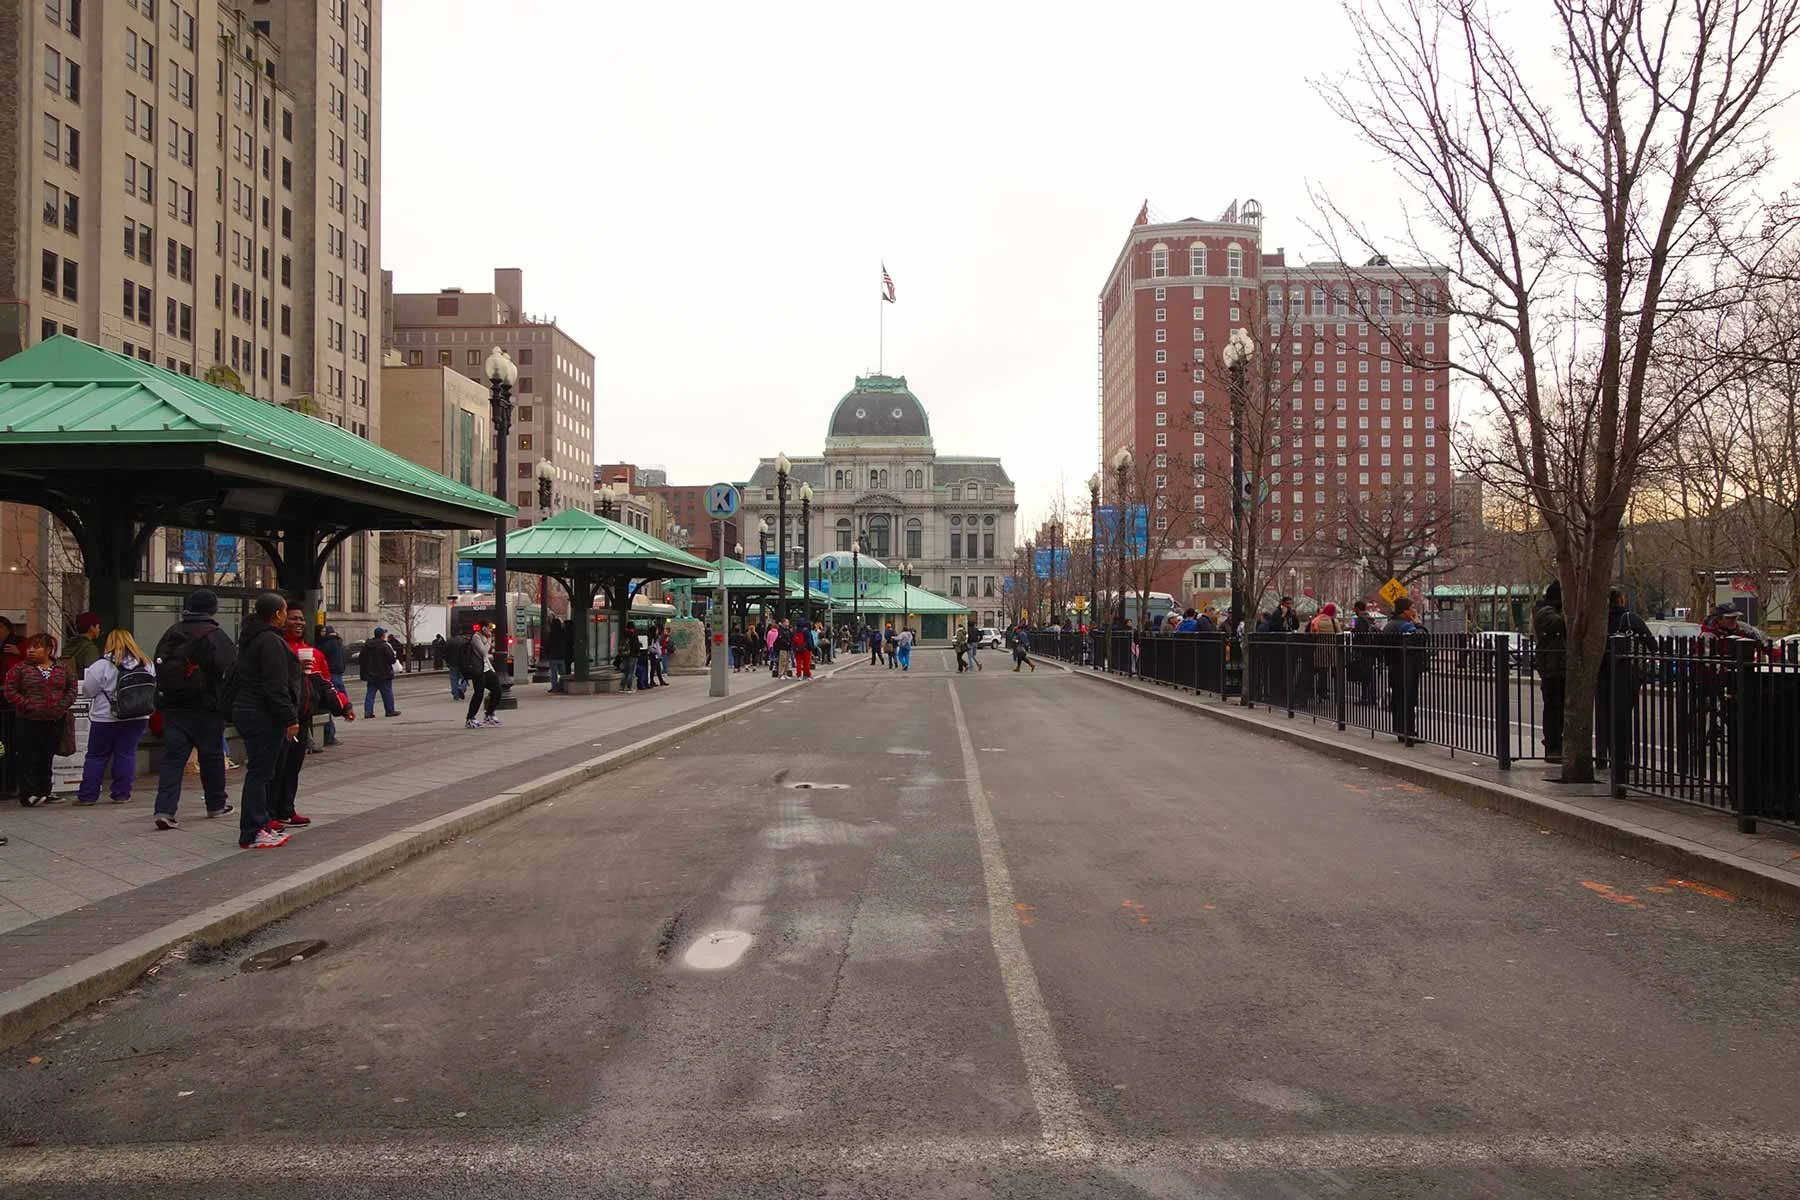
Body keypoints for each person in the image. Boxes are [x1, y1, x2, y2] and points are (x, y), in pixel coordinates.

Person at [150, 588, 239, 830]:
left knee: (172, 760)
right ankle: (216, 804)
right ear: (213, 608)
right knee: (211, 757)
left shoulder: (173, 632)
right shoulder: (215, 635)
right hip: (206, 707)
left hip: (174, 708)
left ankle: (165, 810)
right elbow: (229, 670)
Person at [230, 592, 298, 850]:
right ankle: (253, 829)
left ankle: (259, 824)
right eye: (284, 611)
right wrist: (289, 717)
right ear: (278, 613)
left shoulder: (252, 637)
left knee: (260, 771)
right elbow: (275, 685)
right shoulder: (270, 641)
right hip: (262, 713)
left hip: (248, 710)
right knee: (260, 772)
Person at [76, 629, 153, 806]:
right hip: (138, 716)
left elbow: (89, 691)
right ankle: (121, 794)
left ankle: (88, 795)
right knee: (126, 754)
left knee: (97, 756)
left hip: (105, 717)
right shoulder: (146, 663)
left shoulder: (101, 666)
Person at [5, 634, 77, 806]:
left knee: (47, 756)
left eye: (36, 647)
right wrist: (27, 704)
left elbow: (71, 689)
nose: (31, 650)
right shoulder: (20, 669)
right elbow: (10, 690)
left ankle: (45, 791)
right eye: (29, 647)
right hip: (27, 719)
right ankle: (28, 794)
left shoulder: (62, 668)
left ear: (48, 650)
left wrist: (61, 707)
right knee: (27, 756)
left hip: (54, 719)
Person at [1595, 588, 1655, 769]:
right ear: (1621, 600)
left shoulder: (1597, 620)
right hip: (1626, 673)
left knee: (1603, 715)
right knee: (1623, 717)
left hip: (1602, 672)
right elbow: (1652, 644)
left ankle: (1602, 756)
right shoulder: (1630, 619)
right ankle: (1621, 758)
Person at [1383, 597, 1428, 746]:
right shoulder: (1405, 626)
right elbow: (1420, 638)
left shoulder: (1389, 625)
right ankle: (1408, 732)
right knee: (1408, 700)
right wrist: (1418, 624)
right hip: (1407, 667)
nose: (1415, 611)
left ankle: (1400, 730)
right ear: (1405, 611)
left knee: (1398, 699)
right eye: (1412, 608)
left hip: (1394, 667)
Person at [1532, 581, 1568, 764]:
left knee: (1559, 710)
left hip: (1560, 667)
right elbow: (1559, 624)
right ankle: (1552, 747)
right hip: (1552, 669)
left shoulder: (1551, 611)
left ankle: (1557, 744)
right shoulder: (1544, 612)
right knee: (1553, 709)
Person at [317, 624, 348, 747]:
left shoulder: (327, 643)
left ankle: (329, 735)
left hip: (330, 674)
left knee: (328, 703)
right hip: (338, 673)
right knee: (337, 699)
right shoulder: (338, 642)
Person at [359, 626, 400, 718]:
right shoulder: (384, 646)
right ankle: (390, 710)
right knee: (387, 693)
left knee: (370, 693)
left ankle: (368, 712)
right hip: (384, 674)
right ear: (382, 635)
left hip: (370, 674)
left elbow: (361, 659)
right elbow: (392, 660)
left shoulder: (367, 646)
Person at [465, 623, 502, 728]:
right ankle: (470, 718)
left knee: (497, 690)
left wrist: (492, 670)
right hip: (478, 670)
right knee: (479, 693)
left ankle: (489, 713)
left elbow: (486, 656)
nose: (491, 631)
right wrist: (489, 639)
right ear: (484, 628)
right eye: (489, 628)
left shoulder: (484, 637)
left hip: (487, 669)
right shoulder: (476, 637)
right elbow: (484, 652)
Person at [1309, 603, 1342, 701]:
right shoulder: (1334, 621)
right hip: (1333, 649)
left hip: (1320, 649)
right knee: (1336, 673)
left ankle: (1322, 693)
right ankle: (1337, 694)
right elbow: (1339, 634)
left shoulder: (1316, 621)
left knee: (1322, 673)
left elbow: (1312, 634)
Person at [1350, 600, 1380, 704]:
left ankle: (1366, 697)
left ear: (1357, 608)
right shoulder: (1370, 619)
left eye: (1354, 608)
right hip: (1371, 650)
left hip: (1363, 650)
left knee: (1365, 675)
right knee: (1370, 673)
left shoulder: (1359, 620)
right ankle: (1371, 696)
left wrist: (1355, 649)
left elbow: (1358, 635)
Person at [67, 611, 103, 676]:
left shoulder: (70, 644)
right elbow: (93, 675)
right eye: (98, 627)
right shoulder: (90, 648)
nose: (99, 630)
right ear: (92, 628)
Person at [544, 617, 567, 693]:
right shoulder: (563, 633)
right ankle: (563, 686)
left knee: (553, 673)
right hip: (562, 656)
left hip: (553, 656)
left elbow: (547, 645)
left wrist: (547, 653)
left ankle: (554, 687)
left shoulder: (551, 634)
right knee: (563, 673)